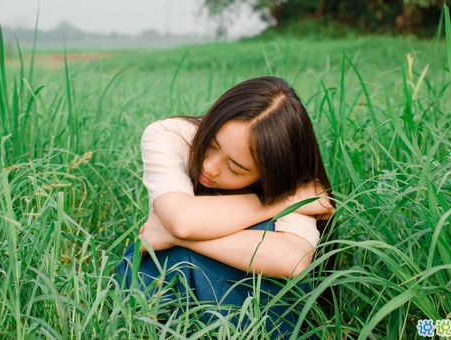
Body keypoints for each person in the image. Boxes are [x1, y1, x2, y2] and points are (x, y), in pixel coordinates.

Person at [117, 76, 335, 337]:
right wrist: (282, 203)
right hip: (162, 283)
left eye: (235, 168)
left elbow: (292, 259)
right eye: (210, 144)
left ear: (269, 175)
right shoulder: (170, 135)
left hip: (244, 292)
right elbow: (183, 220)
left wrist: (174, 237)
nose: (209, 167)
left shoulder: (291, 181)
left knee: (267, 249)